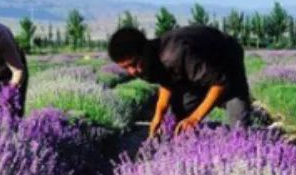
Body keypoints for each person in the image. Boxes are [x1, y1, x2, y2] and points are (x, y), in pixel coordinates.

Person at [108, 23, 252, 138]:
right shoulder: (147, 63)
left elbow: (220, 82)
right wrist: (159, 113)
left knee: (239, 134)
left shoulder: (174, 55)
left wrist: (195, 118)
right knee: (175, 122)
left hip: (226, 60)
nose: (132, 72)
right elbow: (166, 80)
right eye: (126, 68)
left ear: (145, 50)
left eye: (133, 64)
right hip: (196, 71)